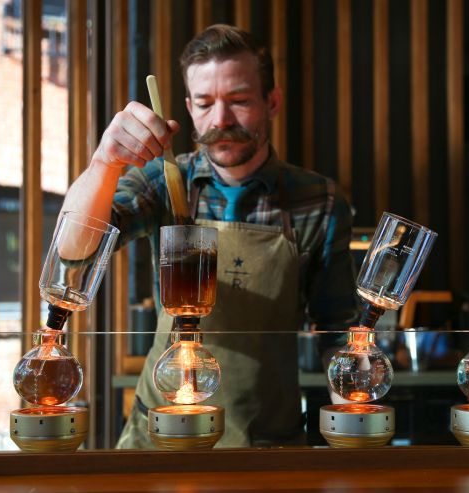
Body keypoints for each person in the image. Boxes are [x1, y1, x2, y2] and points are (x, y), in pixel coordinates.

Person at [61, 24, 358, 448]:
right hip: (159, 435)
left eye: (238, 101)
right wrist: (104, 162)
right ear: (187, 106)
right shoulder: (164, 182)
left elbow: (338, 333)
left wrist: (353, 439)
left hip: (265, 442)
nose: (220, 120)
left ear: (272, 102)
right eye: (204, 103)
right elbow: (73, 251)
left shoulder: (318, 200)